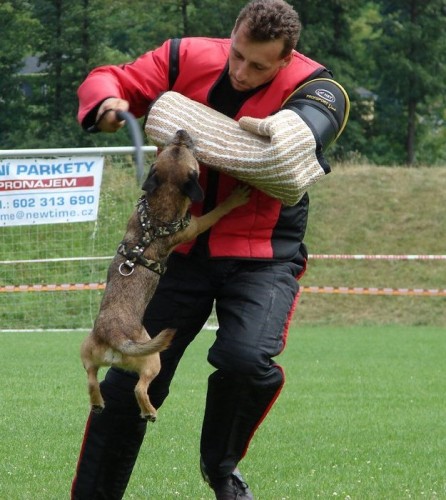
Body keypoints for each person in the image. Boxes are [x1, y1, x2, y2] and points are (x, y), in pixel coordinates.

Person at [71, 0, 349, 498]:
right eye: (237, 56)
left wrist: (285, 133)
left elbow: (309, 128)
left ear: (287, 59)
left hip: (261, 255)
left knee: (245, 362)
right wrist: (107, 102)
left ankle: (220, 468)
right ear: (232, 36)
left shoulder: (319, 87)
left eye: (259, 65)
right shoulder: (185, 56)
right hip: (177, 257)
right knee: (123, 390)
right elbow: (113, 78)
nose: (242, 73)